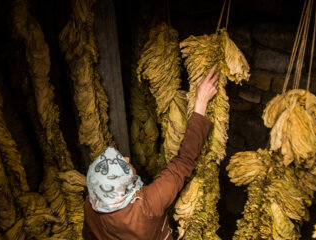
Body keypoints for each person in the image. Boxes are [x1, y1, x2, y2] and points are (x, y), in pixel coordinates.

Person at [82, 64, 219, 240]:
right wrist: (200, 103)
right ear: (121, 188)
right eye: (123, 165)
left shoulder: (91, 205)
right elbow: (183, 163)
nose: (126, 157)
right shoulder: (147, 205)